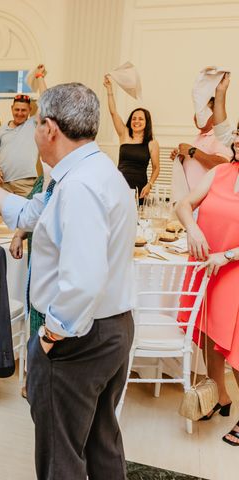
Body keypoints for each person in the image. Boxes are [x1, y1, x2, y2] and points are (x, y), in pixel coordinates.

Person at [0, 83, 136, 479]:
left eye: (35, 125)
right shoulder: (91, 170)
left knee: (59, 456)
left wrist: (51, 334)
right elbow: (29, 215)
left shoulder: (78, 185)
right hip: (111, 328)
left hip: (78, 340)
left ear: (49, 128)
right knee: (101, 441)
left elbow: (82, 280)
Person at [176, 87, 239, 447]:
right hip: (205, 267)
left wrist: (227, 256)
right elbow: (184, 204)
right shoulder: (222, 173)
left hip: (233, 271)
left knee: (235, 348)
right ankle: (220, 397)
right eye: (238, 136)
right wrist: (193, 225)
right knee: (205, 336)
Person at [0, 65, 48, 197]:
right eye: (17, 109)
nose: (20, 113)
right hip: (3, 183)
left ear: (29, 111)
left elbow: (46, 102)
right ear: (11, 109)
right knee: (3, 217)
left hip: (26, 184)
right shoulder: (2, 129)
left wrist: (39, 77)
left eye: (23, 110)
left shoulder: (33, 123)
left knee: (26, 217)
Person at [103, 74, 159, 201]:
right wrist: (109, 89)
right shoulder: (124, 134)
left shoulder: (152, 143)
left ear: (146, 122)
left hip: (139, 186)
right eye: (134, 118)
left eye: (140, 119)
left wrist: (150, 184)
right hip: (119, 183)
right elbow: (113, 112)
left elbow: (156, 167)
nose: (136, 121)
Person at [170, 97, 231, 200]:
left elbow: (223, 165)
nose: (197, 116)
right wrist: (182, 158)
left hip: (206, 200)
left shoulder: (219, 137)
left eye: (202, 112)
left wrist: (192, 151)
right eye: (197, 112)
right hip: (190, 200)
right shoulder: (199, 138)